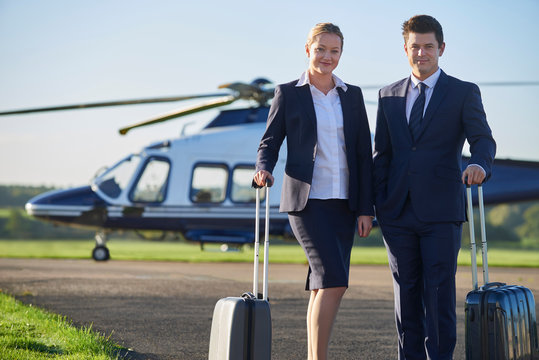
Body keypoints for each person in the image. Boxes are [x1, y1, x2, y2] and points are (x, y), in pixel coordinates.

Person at [373, 15, 496, 359]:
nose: (422, 53)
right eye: (415, 46)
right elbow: (380, 156)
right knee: (405, 296)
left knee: (439, 293)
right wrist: (374, 206)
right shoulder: (388, 95)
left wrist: (479, 164)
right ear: (405, 49)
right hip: (396, 213)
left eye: (429, 46)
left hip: (441, 212)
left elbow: (483, 139)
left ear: (441, 49)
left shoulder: (463, 92)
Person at [253, 23, 374, 360]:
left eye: (334, 51)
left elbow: (364, 153)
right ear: (308, 49)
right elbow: (270, 140)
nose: (327, 57)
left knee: (323, 283)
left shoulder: (352, 95)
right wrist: (263, 167)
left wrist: (366, 208)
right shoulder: (288, 93)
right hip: (306, 202)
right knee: (336, 281)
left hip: (345, 204)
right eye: (321, 49)